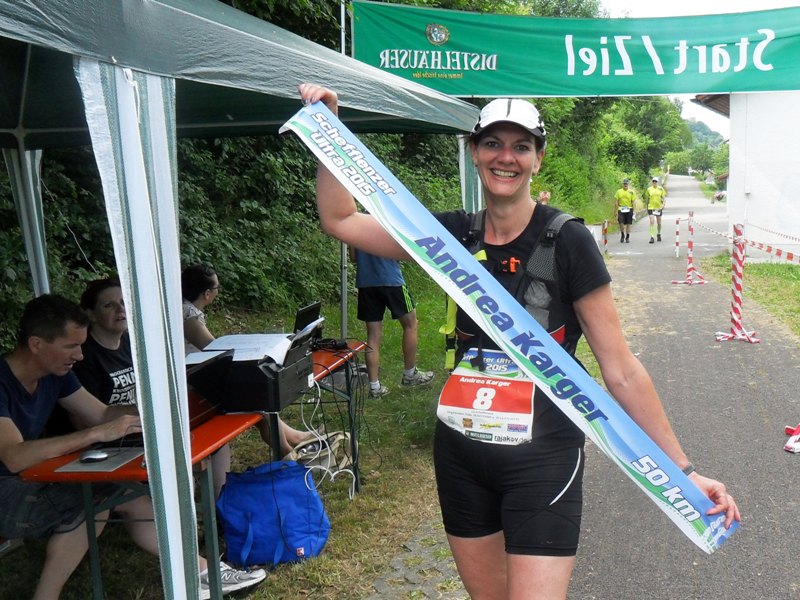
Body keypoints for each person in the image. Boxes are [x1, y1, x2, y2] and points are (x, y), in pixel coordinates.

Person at [298, 83, 740, 600]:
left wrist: (684, 471)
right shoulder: (451, 236)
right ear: (474, 152)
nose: (505, 157)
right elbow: (340, 220)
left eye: (521, 146)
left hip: (543, 457)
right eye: (493, 144)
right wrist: (329, 128)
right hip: (462, 451)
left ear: (538, 159)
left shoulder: (568, 240)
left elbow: (620, 369)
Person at [0, 294, 265, 599]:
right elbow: (14, 456)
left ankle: (200, 572)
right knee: (96, 502)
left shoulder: (54, 373)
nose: (80, 355)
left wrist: (157, 409)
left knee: (121, 494)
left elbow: (101, 413)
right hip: (9, 488)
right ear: (36, 344)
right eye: (71, 346)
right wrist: (95, 434)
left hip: (30, 477)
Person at [181, 264, 315, 473]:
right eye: (217, 288)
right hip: (194, 386)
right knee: (254, 398)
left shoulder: (187, 310)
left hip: (199, 378)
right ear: (207, 294)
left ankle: (294, 441)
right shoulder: (188, 314)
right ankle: (289, 453)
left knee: (256, 398)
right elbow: (214, 349)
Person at [349, 247, 434, 399]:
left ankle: (374, 387)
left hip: (366, 283)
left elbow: (354, 257)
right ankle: (410, 374)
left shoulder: (354, 230)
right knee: (411, 325)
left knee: (373, 336)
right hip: (390, 279)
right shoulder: (388, 228)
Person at [645, 176, 667, 243]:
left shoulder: (661, 189)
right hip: (651, 207)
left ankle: (658, 234)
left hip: (658, 208)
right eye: (653, 181)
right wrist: (646, 207)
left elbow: (664, 198)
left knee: (659, 222)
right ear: (652, 182)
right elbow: (647, 199)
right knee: (651, 222)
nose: (654, 182)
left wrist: (663, 205)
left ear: (657, 182)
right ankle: (652, 237)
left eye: (655, 181)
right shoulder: (649, 189)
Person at [614, 178, 635, 243]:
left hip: (629, 209)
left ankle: (627, 237)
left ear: (628, 184)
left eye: (626, 184)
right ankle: (622, 235)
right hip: (621, 209)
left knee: (628, 224)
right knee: (621, 223)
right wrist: (616, 211)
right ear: (623, 184)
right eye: (624, 184)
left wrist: (634, 211)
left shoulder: (631, 192)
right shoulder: (618, 191)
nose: (625, 185)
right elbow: (616, 201)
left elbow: (633, 202)